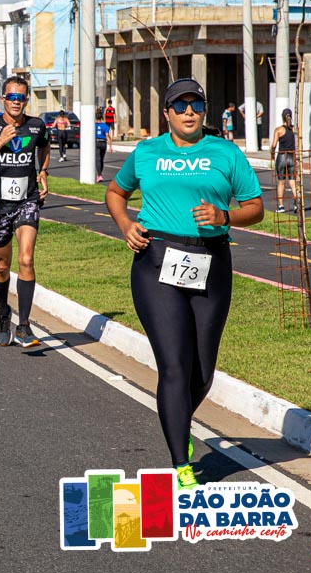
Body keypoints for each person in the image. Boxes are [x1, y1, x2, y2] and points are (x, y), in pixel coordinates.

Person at [104, 78, 263, 491]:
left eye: (196, 105)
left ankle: (177, 421)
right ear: (167, 113)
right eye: (180, 105)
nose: (188, 112)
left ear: (204, 111)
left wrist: (225, 216)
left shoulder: (225, 153)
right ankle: (181, 463)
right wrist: (125, 225)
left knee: (202, 373)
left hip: (212, 260)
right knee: (174, 365)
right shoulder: (147, 152)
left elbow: (255, 207)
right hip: (157, 261)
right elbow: (116, 193)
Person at [0, 75, 50, 348]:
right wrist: (0, 141)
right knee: (2, 266)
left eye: (21, 98)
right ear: (3, 99)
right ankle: (3, 312)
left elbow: (44, 145)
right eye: (12, 97)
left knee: (26, 259)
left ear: (26, 100)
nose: (17, 102)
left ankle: (24, 326)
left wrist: (43, 171)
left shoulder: (36, 126)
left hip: (27, 201)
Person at [270, 108, 298, 212]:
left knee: (281, 183)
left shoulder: (278, 130)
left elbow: (274, 145)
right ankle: (296, 204)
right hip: (292, 156)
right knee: (293, 182)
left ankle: (281, 206)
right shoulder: (295, 129)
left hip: (282, 157)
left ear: (282, 117)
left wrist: (272, 154)